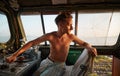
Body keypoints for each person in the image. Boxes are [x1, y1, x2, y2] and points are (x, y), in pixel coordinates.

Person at [6, 12, 97, 76]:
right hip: (47, 62)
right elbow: (32, 43)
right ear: (61, 24)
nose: (72, 27)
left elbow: (84, 43)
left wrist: (90, 47)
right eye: (69, 24)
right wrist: (14, 55)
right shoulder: (50, 36)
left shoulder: (71, 37)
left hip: (59, 65)